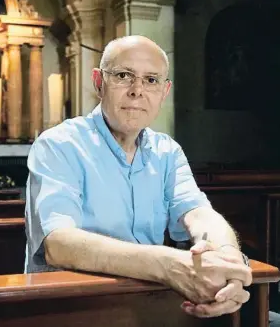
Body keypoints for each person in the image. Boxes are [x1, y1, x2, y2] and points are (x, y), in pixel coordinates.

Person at [24, 35, 276, 322]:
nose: (137, 90)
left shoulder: (167, 151)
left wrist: (226, 258)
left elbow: (199, 214)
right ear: (98, 82)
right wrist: (169, 265)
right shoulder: (59, 144)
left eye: (151, 80)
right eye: (123, 75)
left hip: (147, 305)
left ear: (164, 92)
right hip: (74, 308)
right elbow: (59, 245)